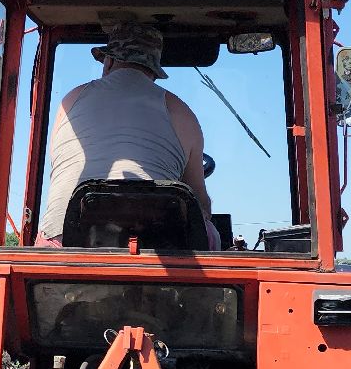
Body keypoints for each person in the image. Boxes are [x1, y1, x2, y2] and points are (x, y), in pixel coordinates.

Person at [36, 20, 218, 248]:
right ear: (154, 70)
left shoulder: (70, 101)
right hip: (157, 244)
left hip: (65, 238)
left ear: (109, 61)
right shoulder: (182, 112)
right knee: (210, 234)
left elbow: (60, 168)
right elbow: (200, 203)